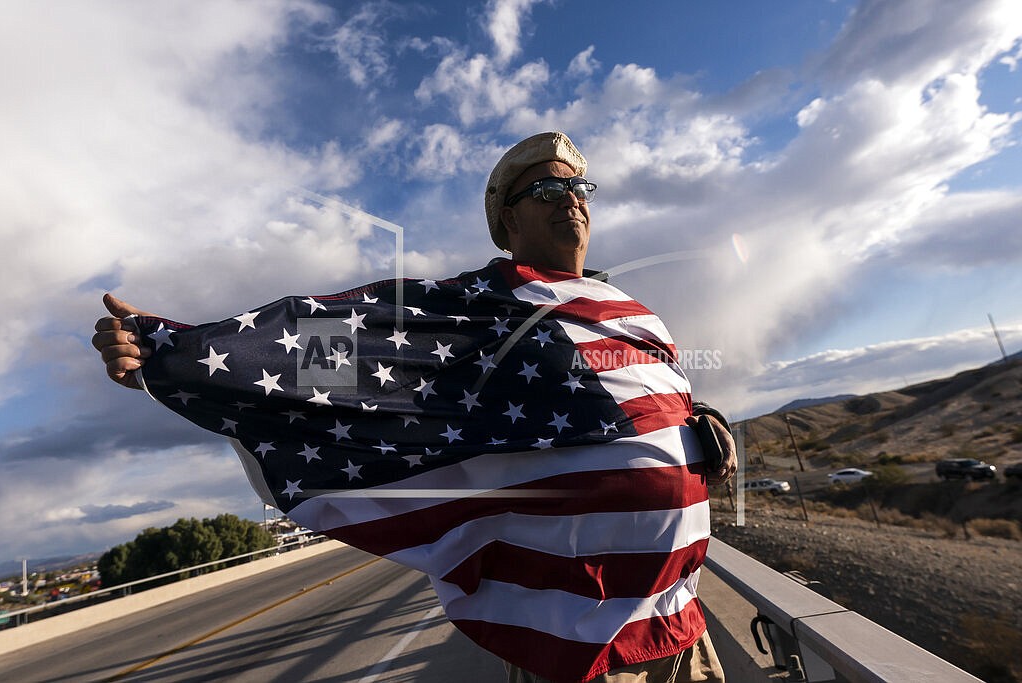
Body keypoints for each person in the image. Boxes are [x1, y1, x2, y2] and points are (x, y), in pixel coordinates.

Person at [93, 131, 736, 683]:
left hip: (682, 618)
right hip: (584, 640)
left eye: (579, 189)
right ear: (508, 222)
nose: (570, 198)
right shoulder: (479, 311)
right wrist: (174, 355)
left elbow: (657, 403)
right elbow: (338, 350)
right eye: (545, 190)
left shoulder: (633, 315)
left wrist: (701, 419)